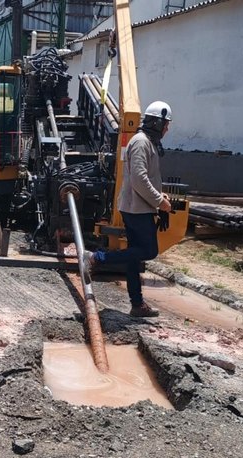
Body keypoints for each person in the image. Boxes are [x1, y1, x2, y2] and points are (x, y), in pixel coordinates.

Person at [84, 100, 173, 318]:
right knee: (149, 251)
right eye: (166, 124)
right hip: (137, 209)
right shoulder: (141, 142)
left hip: (137, 206)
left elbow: (145, 177)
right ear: (157, 123)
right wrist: (159, 202)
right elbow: (139, 180)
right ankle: (96, 258)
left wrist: (159, 195)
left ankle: (136, 304)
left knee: (135, 256)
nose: (167, 129)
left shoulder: (146, 142)